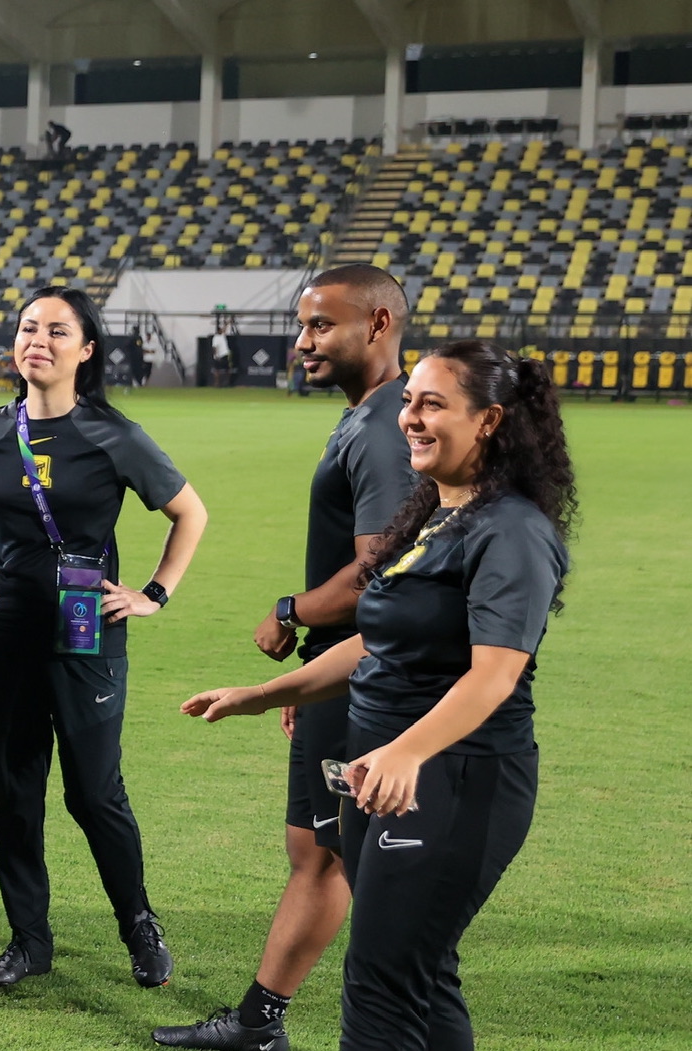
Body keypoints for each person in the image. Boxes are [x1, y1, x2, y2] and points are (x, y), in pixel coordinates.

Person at [181, 340, 572, 1051]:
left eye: (432, 404)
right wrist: (265, 693)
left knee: (381, 985)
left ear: (488, 421)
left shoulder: (512, 530)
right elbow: (375, 642)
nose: (410, 418)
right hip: (384, 773)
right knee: (419, 975)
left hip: (454, 778)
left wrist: (407, 750)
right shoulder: (437, 517)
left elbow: (495, 673)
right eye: (408, 402)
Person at [0, 286, 207, 991]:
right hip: (5, 634)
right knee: (14, 790)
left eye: (56, 330)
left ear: (86, 349)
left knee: (94, 790)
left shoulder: (113, 434)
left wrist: (153, 593)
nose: (37, 339)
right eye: (27, 328)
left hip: (87, 633)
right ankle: (27, 941)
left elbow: (187, 512)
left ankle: (138, 925)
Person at [155, 263, 414, 1051]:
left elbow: (382, 570)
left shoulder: (381, 430)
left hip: (372, 680)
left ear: (376, 325)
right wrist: (313, 671)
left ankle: (377, 1016)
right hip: (345, 672)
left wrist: (291, 612)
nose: (302, 342)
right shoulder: (367, 417)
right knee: (318, 845)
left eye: (320, 326)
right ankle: (261, 1021)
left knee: (349, 855)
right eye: (302, 326)